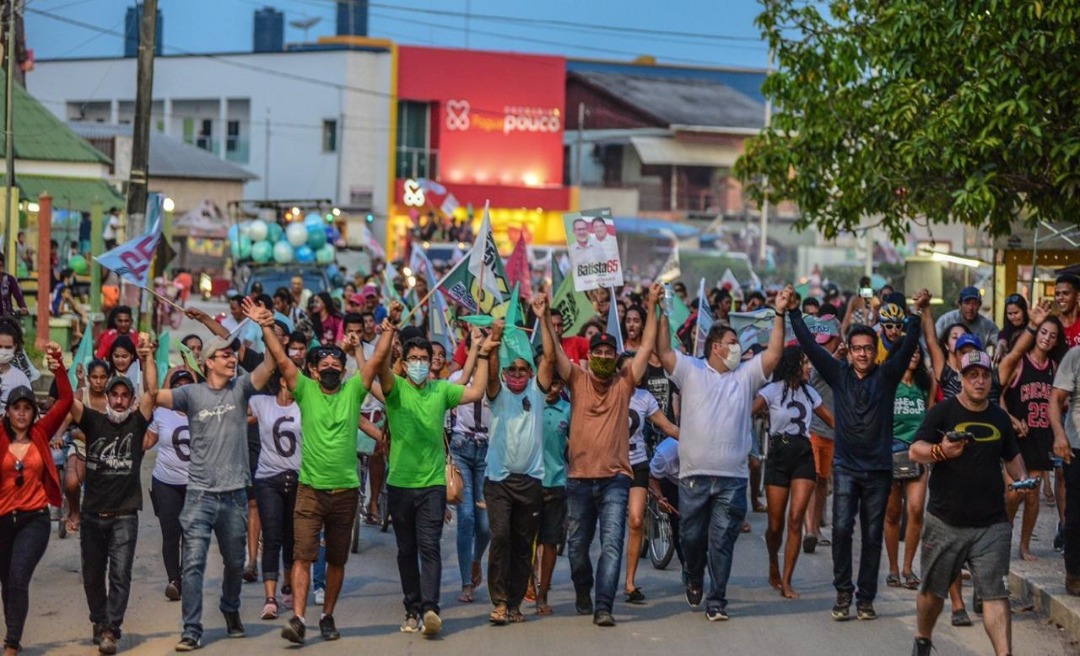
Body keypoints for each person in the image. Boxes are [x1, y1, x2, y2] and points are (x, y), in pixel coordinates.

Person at [789, 286, 929, 621]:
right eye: (857, 349)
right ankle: (842, 594)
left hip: (880, 469)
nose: (863, 354)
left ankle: (865, 598)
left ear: (874, 352)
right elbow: (808, 345)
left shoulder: (887, 375)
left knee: (872, 535)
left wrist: (917, 313)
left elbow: (908, 343)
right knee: (840, 530)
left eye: (868, 348)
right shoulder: (838, 374)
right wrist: (794, 312)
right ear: (848, 353)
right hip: (846, 468)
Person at [263, 297, 395, 645]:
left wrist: (389, 327)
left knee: (336, 560)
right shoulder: (304, 390)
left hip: (346, 491)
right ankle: (299, 618)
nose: (333, 368)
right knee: (302, 556)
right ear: (313, 370)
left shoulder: (353, 391)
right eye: (326, 364)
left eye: (338, 363)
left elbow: (378, 360)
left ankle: (327, 616)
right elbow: (280, 358)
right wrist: (264, 325)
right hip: (310, 490)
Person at [654, 286, 788, 620]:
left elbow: (773, 355)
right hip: (694, 479)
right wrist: (661, 311)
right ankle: (694, 575)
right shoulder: (691, 370)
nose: (737, 348)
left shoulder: (745, 376)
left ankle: (717, 601)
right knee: (692, 538)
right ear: (716, 347)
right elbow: (663, 350)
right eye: (731, 342)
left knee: (722, 543)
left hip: (732, 480)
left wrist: (781, 314)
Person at [151, 308, 277, 651]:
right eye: (223, 355)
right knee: (192, 564)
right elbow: (153, 396)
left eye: (231, 354)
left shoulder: (240, 389)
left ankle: (231, 608)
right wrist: (149, 359)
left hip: (234, 495)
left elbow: (269, 366)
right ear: (207, 362)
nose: (231, 359)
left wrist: (264, 326)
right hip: (200, 496)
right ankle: (191, 629)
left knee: (235, 562)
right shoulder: (191, 395)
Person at [542, 283, 661, 627]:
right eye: (600, 353)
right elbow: (553, 357)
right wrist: (545, 319)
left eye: (611, 353)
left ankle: (603, 606)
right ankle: (584, 590)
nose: (606, 357)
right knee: (578, 548)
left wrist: (653, 305)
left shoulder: (626, 383)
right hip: (578, 480)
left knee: (611, 545)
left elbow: (649, 345)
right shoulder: (576, 380)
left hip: (616, 481)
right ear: (591, 356)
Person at [378, 320, 498, 636]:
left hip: (432, 484)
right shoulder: (395, 389)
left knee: (429, 546)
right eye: (412, 359)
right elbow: (379, 370)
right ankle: (411, 609)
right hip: (400, 484)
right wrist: (388, 334)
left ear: (431, 363)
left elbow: (475, 390)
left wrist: (482, 355)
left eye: (423, 359)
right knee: (406, 551)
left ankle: (430, 609)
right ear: (403, 363)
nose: (418, 364)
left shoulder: (441, 389)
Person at [909, 350, 1031, 656]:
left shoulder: (999, 417)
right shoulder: (943, 412)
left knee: (995, 595)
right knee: (931, 595)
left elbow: (1012, 456)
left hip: (991, 524)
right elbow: (916, 450)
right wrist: (940, 452)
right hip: (945, 521)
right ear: (961, 379)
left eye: (984, 375)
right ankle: (923, 639)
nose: (979, 381)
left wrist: (1023, 479)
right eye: (972, 375)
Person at [70, 335, 157, 654]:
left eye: (125, 396)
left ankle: (111, 629)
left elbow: (152, 392)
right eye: (114, 395)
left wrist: (146, 356)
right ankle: (98, 618)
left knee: (120, 574)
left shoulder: (136, 423)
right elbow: (68, 401)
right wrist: (59, 371)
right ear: (106, 397)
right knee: (92, 576)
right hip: (92, 514)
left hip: (124, 516)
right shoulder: (93, 422)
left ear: (131, 399)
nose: (120, 401)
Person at [483, 303, 555, 625]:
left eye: (521, 370)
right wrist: (495, 338)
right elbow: (492, 365)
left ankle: (514, 604)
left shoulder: (538, 393)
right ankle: (498, 601)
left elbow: (550, 359)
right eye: (511, 370)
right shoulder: (497, 393)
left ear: (530, 372)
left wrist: (543, 319)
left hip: (531, 482)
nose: (516, 375)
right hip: (498, 481)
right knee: (500, 537)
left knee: (524, 544)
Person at [0, 343, 71, 656]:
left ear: (33, 412)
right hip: (2, 519)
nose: (22, 414)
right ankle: (12, 631)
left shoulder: (41, 432)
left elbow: (67, 399)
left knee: (18, 577)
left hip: (34, 518)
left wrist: (58, 365)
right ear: (8, 411)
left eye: (27, 408)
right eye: (17, 408)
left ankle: (12, 642)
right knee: (6, 581)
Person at [752, 345, 833, 599]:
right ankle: (773, 565)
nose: (808, 367)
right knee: (775, 526)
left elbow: (832, 421)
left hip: (802, 454)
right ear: (792, 365)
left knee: (796, 518)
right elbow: (747, 412)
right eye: (804, 362)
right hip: (778, 454)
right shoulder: (772, 391)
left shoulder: (810, 394)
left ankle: (787, 580)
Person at [999, 300, 1064, 562]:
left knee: (1034, 497)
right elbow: (998, 397)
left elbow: (1060, 402)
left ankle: (1024, 546)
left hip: (1040, 437)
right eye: (1044, 332)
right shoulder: (1018, 363)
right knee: (1015, 492)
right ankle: (1002, 537)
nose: (1047, 338)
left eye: (1053, 335)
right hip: (1017, 439)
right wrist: (1012, 419)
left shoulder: (1055, 368)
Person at [621, 351, 680, 605]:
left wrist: (697, 439)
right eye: (628, 369)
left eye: (638, 368)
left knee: (636, 520)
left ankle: (630, 582)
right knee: (610, 527)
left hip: (637, 465)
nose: (634, 373)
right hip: (610, 467)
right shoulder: (610, 392)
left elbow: (668, 427)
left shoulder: (645, 398)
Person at [249, 374, 303, 624]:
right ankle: (270, 598)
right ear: (282, 381)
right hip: (268, 478)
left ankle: (288, 585)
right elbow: (240, 413)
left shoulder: (305, 404)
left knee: (292, 537)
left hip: (298, 478)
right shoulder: (261, 402)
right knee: (272, 537)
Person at [447, 329, 493, 605]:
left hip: (487, 452)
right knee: (465, 519)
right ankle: (466, 582)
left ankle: (476, 560)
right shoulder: (456, 380)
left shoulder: (495, 382)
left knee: (485, 524)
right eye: (474, 349)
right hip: (462, 450)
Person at [884, 346, 933, 595]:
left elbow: (931, 416)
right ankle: (892, 567)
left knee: (915, 510)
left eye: (917, 351)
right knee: (892, 513)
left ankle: (907, 567)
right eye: (909, 351)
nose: (914, 354)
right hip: (891, 452)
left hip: (918, 451)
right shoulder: (889, 383)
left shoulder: (926, 384)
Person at [146, 369, 195, 602]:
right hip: (165, 482)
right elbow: (147, 441)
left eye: (188, 385)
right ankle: (174, 580)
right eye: (179, 385)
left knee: (191, 534)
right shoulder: (162, 413)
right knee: (170, 533)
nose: (183, 389)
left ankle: (188, 576)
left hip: (195, 484)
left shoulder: (202, 413)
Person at [804, 316, 843, 554]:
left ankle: (816, 527)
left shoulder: (847, 359)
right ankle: (809, 529)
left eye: (829, 340)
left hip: (833, 431)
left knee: (821, 483)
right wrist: (833, 358)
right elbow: (815, 376)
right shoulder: (815, 359)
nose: (825, 345)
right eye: (823, 341)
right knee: (811, 480)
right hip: (814, 429)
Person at [534, 367, 570, 616]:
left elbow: (574, 447)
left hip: (556, 483)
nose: (551, 388)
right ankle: (525, 584)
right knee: (526, 540)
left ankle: (542, 592)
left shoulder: (568, 411)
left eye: (557, 384)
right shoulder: (529, 404)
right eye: (549, 382)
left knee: (550, 542)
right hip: (528, 481)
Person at [1052, 340, 1080, 596]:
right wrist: (1059, 435)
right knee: (1075, 517)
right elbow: (1055, 399)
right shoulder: (1075, 356)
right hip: (1077, 446)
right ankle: (1074, 573)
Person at [934, 286, 1000, 348]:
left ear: (979, 305)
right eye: (967, 303)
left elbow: (1001, 341)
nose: (970, 308)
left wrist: (1001, 346)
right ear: (960, 304)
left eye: (974, 303)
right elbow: (932, 341)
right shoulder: (946, 320)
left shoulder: (987, 325)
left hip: (977, 359)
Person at [0, 322, 31, 409]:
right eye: (0, 346)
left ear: (15, 347)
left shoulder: (20, 378)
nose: (3, 351)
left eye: (8, 347)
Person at [995, 293, 1029, 362]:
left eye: (1016, 313)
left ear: (1024, 311)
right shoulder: (1004, 331)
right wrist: (1000, 348)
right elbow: (1002, 341)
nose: (1013, 317)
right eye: (1010, 314)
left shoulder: (1031, 328)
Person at [0, 252, 28, 318]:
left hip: (8, 318)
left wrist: (23, 306)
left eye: (0, 265)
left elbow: (18, 295)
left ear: (3, 266)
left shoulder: (9, 279)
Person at [1056, 273, 1080, 348]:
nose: (1060, 298)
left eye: (1065, 293)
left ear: (1078, 296)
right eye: (1057, 294)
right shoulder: (1051, 325)